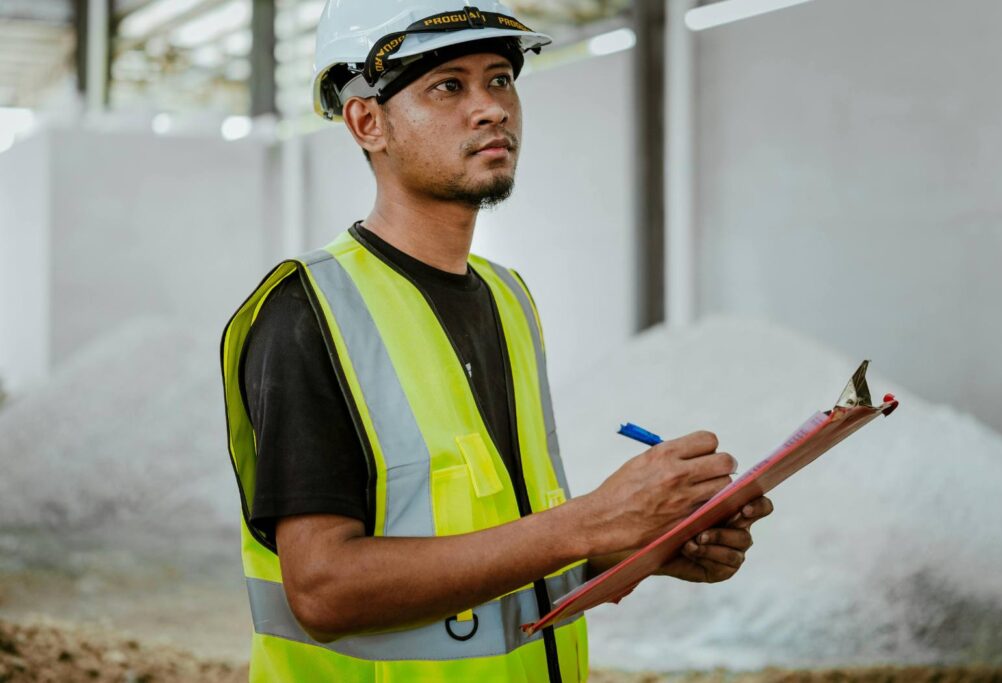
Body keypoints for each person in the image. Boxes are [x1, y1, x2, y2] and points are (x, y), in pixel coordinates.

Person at [218, 2, 773, 681]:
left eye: (501, 80)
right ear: (367, 122)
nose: (491, 109)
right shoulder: (309, 312)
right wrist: (590, 522)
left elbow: (505, 546)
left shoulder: (508, 299)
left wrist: (645, 541)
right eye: (448, 85)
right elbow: (323, 591)